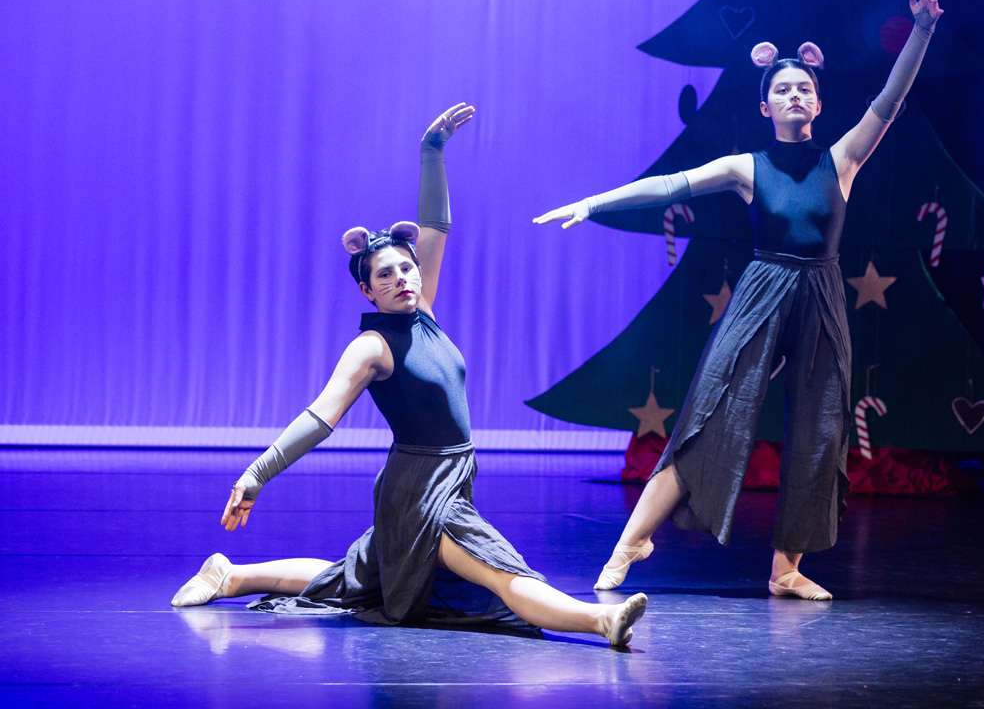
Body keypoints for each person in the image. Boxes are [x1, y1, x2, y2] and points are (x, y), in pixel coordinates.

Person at [172, 104, 647, 648]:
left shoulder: (425, 313)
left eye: (407, 267)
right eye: (385, 275)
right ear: (366, 291)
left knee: (359, 580)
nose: (401, 278)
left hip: (449, 476)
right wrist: (256, 474)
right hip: (420, 492)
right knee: (499, 570)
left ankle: (229, 575)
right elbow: (320, 417)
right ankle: (602, 622)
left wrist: (432, 152)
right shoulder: (371, 347)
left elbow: (435, 228)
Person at [534, 0, 944, 600]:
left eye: (804, 88)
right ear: (764, 106)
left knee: (820, 429)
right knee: (706, 414)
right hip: (762, 290)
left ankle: (786, 569)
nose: (794, 94)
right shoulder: (747, 167)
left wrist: (922, 31)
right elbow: (670, 185)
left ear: (819, 102)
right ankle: (631, 543)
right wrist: (593, 203)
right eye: (782, 89)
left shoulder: (843, 159)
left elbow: (890, 100)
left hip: (822, 292)